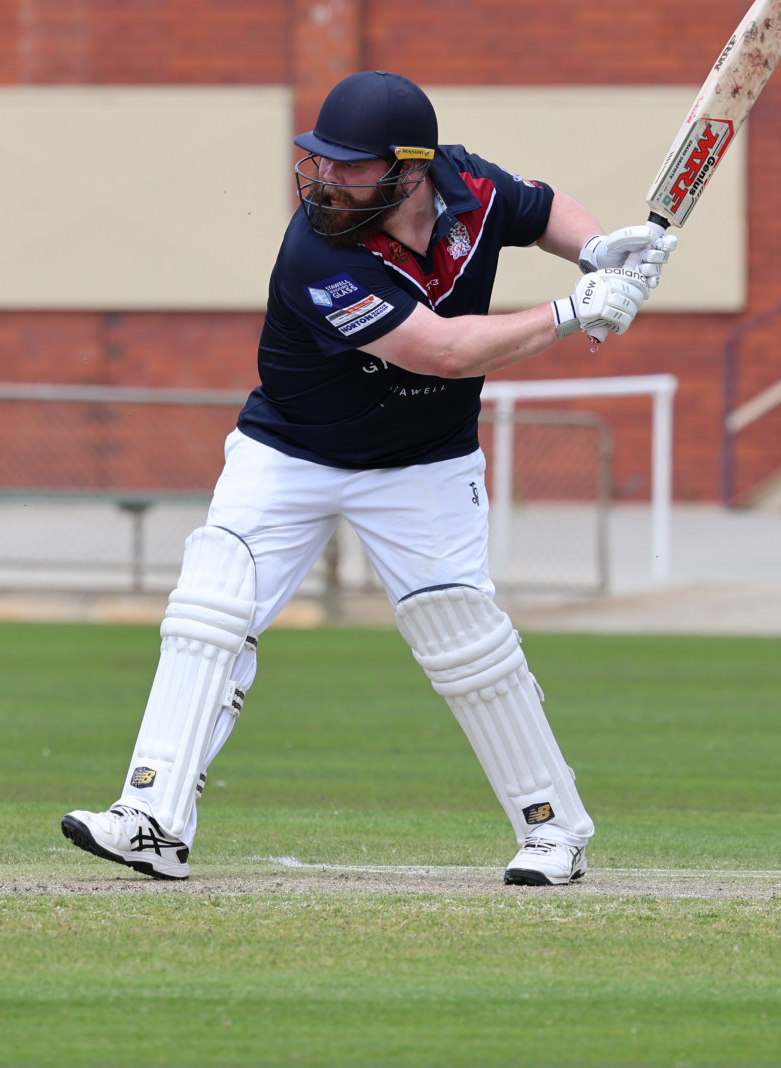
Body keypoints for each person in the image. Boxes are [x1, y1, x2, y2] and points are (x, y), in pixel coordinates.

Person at [63, 70, 673, 886]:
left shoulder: (469, 184)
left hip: (425, 461)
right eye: (321, 159)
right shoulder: (317, 251)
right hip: (290, 451)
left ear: (411, 170)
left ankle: (554, 831)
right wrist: (572, 310)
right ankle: (152, 818)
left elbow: (541, 208)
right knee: (212, 607)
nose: (326, 176)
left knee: (466, 638)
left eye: (350, 165)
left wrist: (594, 250)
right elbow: (441, 351)